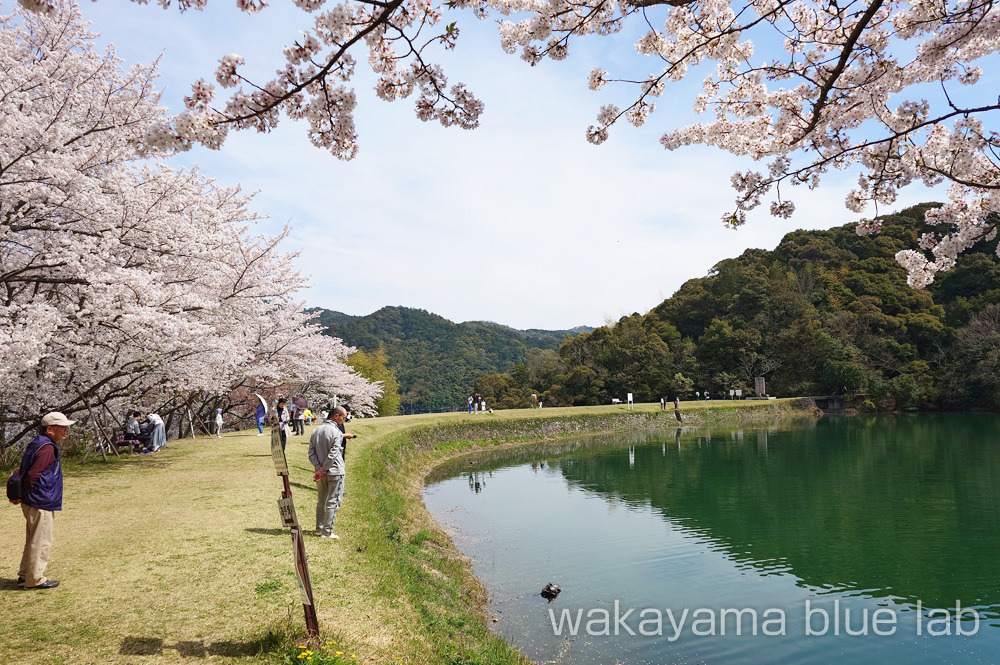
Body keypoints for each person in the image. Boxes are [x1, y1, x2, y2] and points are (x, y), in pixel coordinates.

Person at [12, 412, 74, 590]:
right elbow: (33, 474)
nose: (66, 430)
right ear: (49, 429)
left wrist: (22, 495)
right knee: (42, 540)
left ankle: (25, 575)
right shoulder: (47, 448)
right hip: (40, 500)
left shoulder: (37, 443)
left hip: (33, 499)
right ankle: (35, 579)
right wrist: (23, 493)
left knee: (33, 539)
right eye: (62, 427)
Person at [308, 407, 347, 539]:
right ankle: (327, 531)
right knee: (334, 501)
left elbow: (311, 453)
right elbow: (333, 454)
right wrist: (324, 469)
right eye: (344, 417)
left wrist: (318, 468)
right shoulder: (336, 432)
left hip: (320, 472)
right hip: (335, 471)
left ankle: (319, 528)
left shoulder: (316, 431)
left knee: (321, 500)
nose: (344, 420)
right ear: (336, 416)